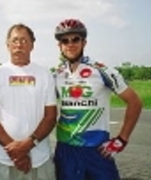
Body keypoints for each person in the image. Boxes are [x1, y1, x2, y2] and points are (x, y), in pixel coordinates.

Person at [53, 18, 143, 180]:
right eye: (65, 40)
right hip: (66, 150)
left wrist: (122, 139)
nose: (70, 44)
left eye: (75, 39)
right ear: (60, 45)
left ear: (84, 43)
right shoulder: (57, 74)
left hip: (97, 150)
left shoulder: (101, 70)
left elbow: (134, 102)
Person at [0, 23, 57, 180]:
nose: (19, 45)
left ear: (32, 45)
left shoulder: (44, 74)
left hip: (40, 158)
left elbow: (50, 116)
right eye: (14, 40)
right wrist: (16, 152)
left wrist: (28, 144)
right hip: (3, 159)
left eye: (24, 40)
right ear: (7, 45)